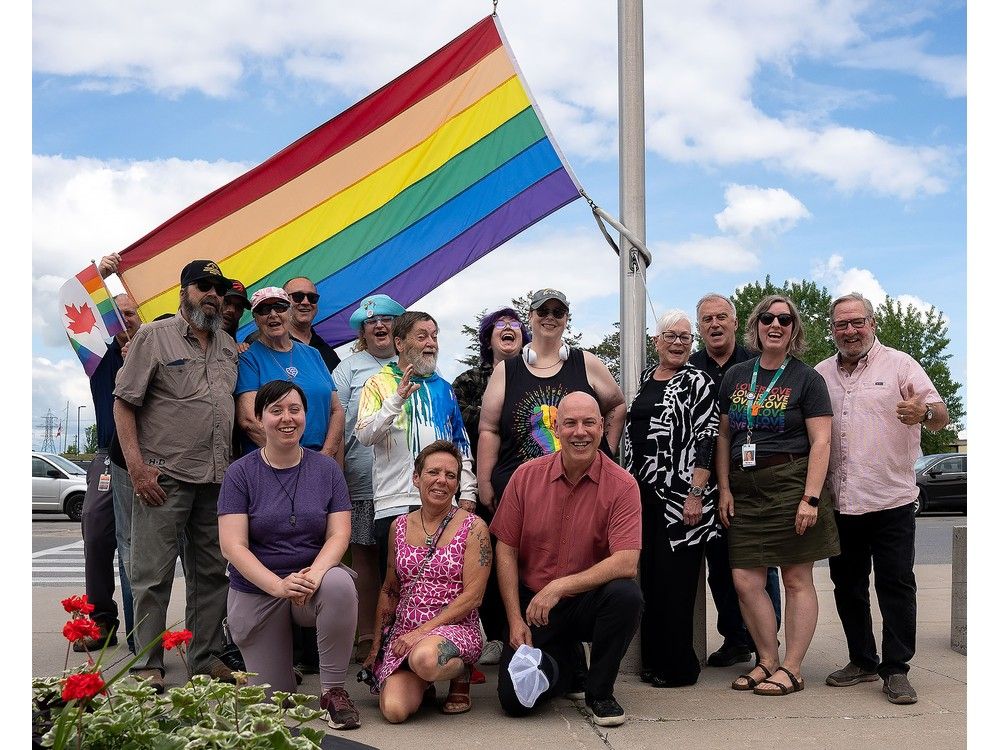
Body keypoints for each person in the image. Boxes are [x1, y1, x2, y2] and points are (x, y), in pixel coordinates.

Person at [816, 292, 949, 705]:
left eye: (858, 322)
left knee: (896, 585)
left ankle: (896, 669)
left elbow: (941, 414)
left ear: (873, 324)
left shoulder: (901, 364)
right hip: (842, 501)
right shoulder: (820, 373)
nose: (850, 331)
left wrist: (922, 414)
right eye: (841, 324)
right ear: (832, 330)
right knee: (847, 585)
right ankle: (862, 660)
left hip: (891, 499)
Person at [113, 259, 239, 692]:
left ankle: (205, 659)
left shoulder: (226, 344)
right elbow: (124, 403)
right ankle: (149, 664)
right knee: (152, 575)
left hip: (216, 480)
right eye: (204, 285)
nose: (213, 294)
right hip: (162, 480)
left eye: (219, 288)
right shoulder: (153, 336)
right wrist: (136, 467)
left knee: (212, 574)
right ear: (183, 290)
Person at [491, 392, 643, 727]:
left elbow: (627, 562)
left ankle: (599, 692)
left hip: (588, 600)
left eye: (589, 423)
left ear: (602, 427)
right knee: (515, 701)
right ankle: (569, 663)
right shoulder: (525, 477)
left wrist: (561, 586)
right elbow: (506, 548)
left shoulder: (623, 485)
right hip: (536, 607)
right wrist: (515, 620)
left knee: (626, 596)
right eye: (570, 423)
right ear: (556, 428)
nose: (580, 432)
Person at [218, 380, 361, 730]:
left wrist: (313, 576)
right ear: (259, 418)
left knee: (340, 583)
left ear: (305, 416)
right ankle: (279, 669)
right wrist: (279, 586)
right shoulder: (240, 473)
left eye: (294, 410)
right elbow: (232, 546)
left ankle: (333, 691)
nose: (287, 418)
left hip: (312, 585)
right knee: (274, 705)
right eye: (276, 410)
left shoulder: (326, 469)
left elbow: (339, 534)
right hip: (258, 590)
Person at [716, 294, 840, 696]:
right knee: (745, 579)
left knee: (796, 577)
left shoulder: (807, 379)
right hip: (744, 487)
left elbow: (821, 442)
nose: (775, 324)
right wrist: (724, 488)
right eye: (767, 318)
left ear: (794, 330)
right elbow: (723, 436)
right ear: (755, 325)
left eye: (784, 320)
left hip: (790, 482)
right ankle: (766, 660)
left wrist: (811, 498)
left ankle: (793, 666)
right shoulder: (736, 375)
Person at [621, 309, 718, 688]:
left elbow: (707, 436)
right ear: (655, 341)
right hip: (642, 493)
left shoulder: (698, 381)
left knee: (676, 584)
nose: (678, 343)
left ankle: (679, 668)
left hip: (682, 496)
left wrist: (696, 493)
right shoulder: (646, 379)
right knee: (653, 580)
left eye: (684, 337)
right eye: (670, 336)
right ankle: (655, 661)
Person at [364, 440, 491, 723]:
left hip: (453, 629)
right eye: (434, 472)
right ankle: (426, 682)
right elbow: (389, 589)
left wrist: (420, 633)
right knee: (394, 711)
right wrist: (376, 647)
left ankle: (461, 672)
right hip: (405, 635)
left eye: (451, 475)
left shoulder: (474, 528)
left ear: (457, 484)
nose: (441, 481)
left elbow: (474, 597)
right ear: (416, 477)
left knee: (425, 659)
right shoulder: (398, 526)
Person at [689, 293, 782, 667]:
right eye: (707, 319)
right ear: (699, 327)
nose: (714, 324)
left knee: (761, 563)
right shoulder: (690, 366)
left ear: (735, 321)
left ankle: (767, 642)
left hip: (751, 480)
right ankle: (734, 638)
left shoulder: (757, 362)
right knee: (719, 565)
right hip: (702, 483)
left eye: (721, 317)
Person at [478, 289, 626, 514]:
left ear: (566, 319)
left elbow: (617, 405)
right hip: (519, 497)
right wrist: (485, 483)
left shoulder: (587, 363)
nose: (550, 317)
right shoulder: (505, 371)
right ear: (530, 315)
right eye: (543, 310)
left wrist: (605, 450)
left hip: (581, 492)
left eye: (558, 312)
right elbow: (489, 430)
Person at [355, 311, 477, 580]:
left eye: (434, 336)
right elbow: (364, 435)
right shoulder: (377, 383)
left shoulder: (445, 388)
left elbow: (461, 445)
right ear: (400, 343)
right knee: (396, 591)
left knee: (442, 588)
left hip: (444, 503)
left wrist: (467, 492)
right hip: (394, 504)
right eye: (422, 336)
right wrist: (396, 399)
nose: (431, 343)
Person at [452, 306, 531, 666]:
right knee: (493, 556)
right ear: (489, 337)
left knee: (532, 557)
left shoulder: (535, 375)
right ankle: (497, 635)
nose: (509, 328)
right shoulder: (468, 380)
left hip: (531, 482)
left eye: (515, 324)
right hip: (488, 484)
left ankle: (536, 628)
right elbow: (461, 423)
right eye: (501, 324)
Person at [333, 294, 406, 662]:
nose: (379, 326)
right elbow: (338, 422)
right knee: (364, 555)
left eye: (388, 320)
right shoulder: (348, 369)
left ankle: (403, 629)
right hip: (362, 478)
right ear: (362, 330)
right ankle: (367, 635)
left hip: (405, 482)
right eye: (371, 322)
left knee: (405, 558)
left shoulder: (413, 365)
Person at [78, 254, 142, 652]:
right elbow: (75, 311)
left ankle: (154, 629)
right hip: (107, 456)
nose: (125, 321)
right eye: (117, 315)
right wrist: (102, 276)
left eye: (132, 314)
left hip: (152, 457)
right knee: (97, 530)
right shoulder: (100, 359)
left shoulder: (156, 351)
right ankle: (102, 619)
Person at [235, 287, 345, 463]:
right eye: (264, 310)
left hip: (322, 459)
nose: (273, 314)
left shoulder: (313, 354)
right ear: (255, 319)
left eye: (280, 307)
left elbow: (336, 410)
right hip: (273, 464)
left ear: (290, 312)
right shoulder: (248, 358)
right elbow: (249, 421)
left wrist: (327, 454)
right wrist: (296, 460)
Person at [283, 276, 341, 372]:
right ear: (284, 301)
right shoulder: (266, 342)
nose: (306, 302)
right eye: (298, 296)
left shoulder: (327, 352)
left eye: (312, 298)